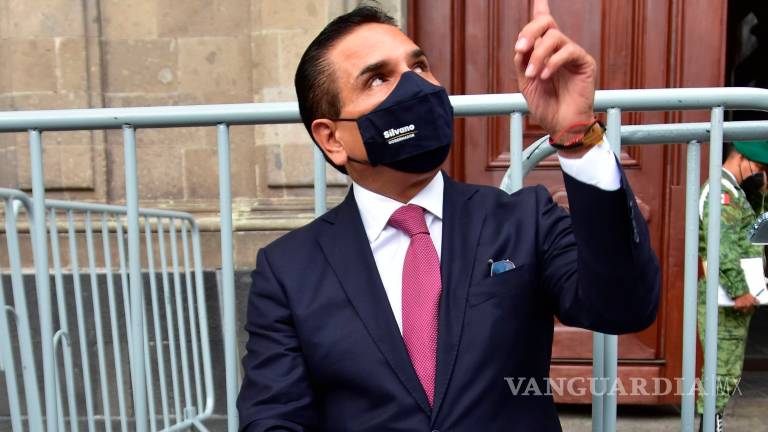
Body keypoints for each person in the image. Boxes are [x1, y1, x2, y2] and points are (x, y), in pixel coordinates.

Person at [237, 1, 660, 430]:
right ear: (332, 139)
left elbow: (624, 306)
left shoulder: (523, 219)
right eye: (378, 78)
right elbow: (273, 416)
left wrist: (577, 135)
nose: (414, 86)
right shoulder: (288, 270)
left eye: (419, 66)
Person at [697, 140, 768, 431]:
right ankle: (709, 426)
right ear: (740, 157)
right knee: (721, 371)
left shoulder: (736, 192)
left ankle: (712, 423)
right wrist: (739, 291)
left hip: (732, 296)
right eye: (759, 167)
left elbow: (756, 234)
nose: (760, 174)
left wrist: (762, 198)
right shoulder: (721, 193)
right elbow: (722, 247)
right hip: (725, 297)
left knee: (727, 370)